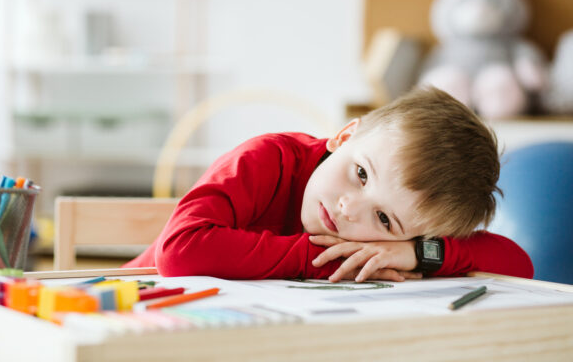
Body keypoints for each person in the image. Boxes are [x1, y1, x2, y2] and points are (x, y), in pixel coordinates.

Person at [123, 86, 533, 281]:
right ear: (345, 135)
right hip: (120, 309)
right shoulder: (267, 159)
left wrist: (415, 253)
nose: (349, 209)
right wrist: (326, 258)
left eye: (385, 220)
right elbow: (180, 252)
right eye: (360, 174)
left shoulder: (406, 243)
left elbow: (518, 263)